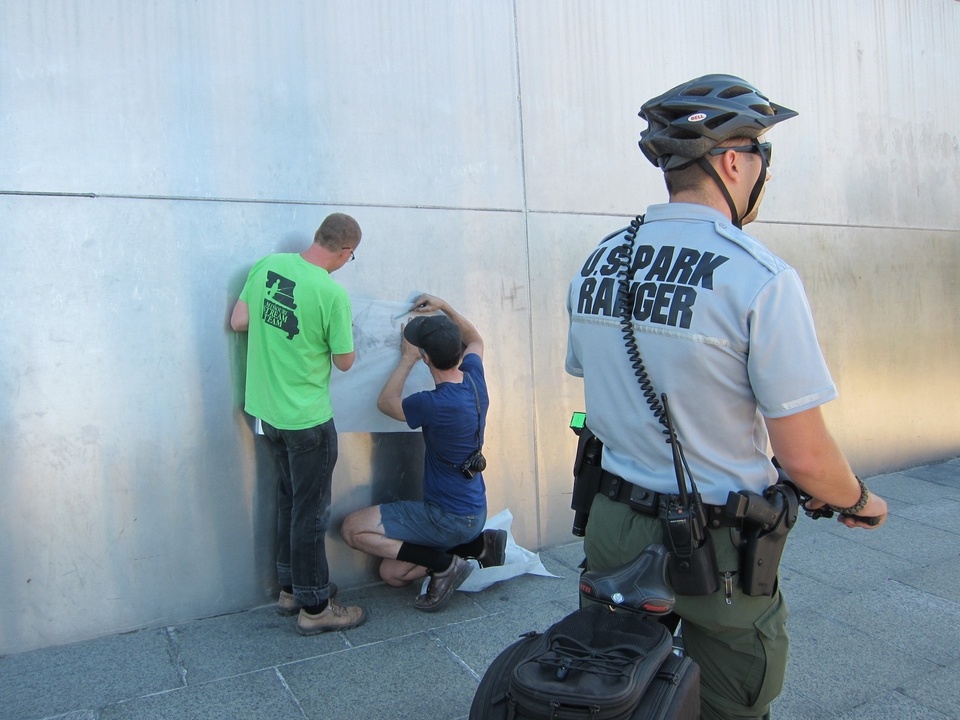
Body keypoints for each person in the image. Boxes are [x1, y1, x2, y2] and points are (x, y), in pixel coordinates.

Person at [565, 74, 888, 720]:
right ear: (734, 161)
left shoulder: (597, 262)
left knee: (614, 694)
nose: (764, 170)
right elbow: (805, 459)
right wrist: (859, 500)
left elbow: (598, 382)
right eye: (763, 155)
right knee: (731, 705)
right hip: (716, 544)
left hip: (612, 527)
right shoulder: (759, 277)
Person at [230, 212, 367, 636]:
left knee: (289, 500)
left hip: (266, 413)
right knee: (311, 513)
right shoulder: (331, 294)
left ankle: (291, 588)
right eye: (352, 256)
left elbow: (239, 321)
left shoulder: (268, 266)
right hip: (307, 421)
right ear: (345, 252)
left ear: (316, 237)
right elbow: (345, 362)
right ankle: (315, 607)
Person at [341, 294, 506, 612]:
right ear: (457, 352)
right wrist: (444, 306)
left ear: (426, 358)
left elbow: (386, 404)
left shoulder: (433, 403)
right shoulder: (474, 379)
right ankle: (475, 545)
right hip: (474, 512)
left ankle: (445, 565)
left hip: (446, 517)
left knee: (352, 529)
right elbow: (476, 339)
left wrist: (406, 359)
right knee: (392, 574)